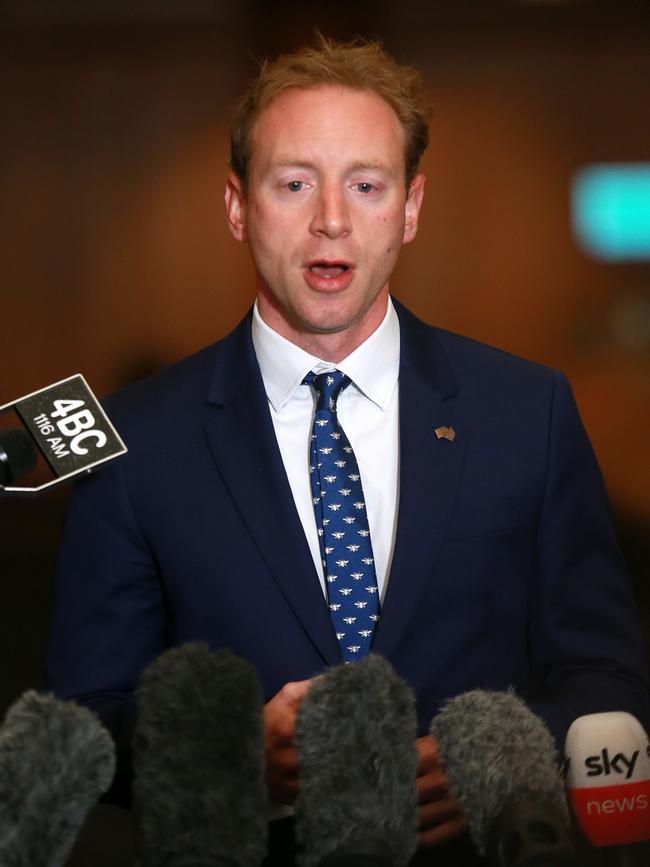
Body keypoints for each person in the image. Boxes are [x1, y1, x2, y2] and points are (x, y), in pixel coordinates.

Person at [48, 36, 650, 866]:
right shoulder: (135, 440)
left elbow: (608, 681)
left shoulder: (527, 411)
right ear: (236, 205)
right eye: (294, 184)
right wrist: (232, 753)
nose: (331, 218)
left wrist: (499, 759)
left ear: (411, 206)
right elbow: (86, 717)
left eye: (366, 185)